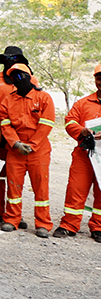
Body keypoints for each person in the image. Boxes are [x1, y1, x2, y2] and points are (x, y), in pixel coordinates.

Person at [0, 62, 54, 237]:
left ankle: (43, 224)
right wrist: (15, 143)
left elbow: (47, 124)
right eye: (14, 76)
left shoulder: (44, 98)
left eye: (21, 75)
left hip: (39, 151)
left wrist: (32, 145)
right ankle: (12, 219)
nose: (18, 79)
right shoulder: (8, 100)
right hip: (15, 151)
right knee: (13, 188)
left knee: (41, 188)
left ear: (29, 77)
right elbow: (5, 125)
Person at [55, 63, 101, 240]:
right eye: (99, 78)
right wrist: (81, 130)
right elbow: (69, 121)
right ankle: (69, 225)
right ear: (95, 79)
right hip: (85, 155)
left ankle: (98, 227)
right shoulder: (83, 103)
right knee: (76, 189)